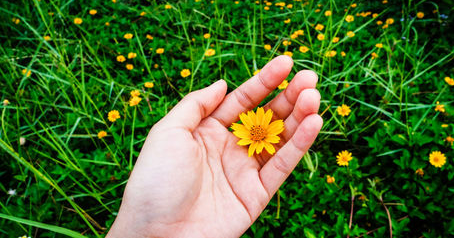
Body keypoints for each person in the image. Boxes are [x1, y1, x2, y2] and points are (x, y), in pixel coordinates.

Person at [107, 56, 323, 237]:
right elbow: (244, 131)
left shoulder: (268, 132)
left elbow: (266, 131)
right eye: (254, 131)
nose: (256, 131)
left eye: (257, 131)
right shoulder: (246, 135)